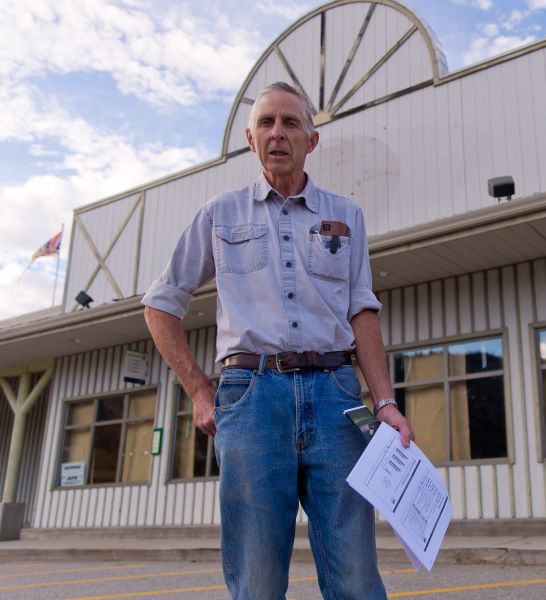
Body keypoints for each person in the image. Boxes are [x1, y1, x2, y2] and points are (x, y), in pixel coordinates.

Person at [142, 80, 413, 600]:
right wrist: (200, 390)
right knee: (258, 575)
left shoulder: (345, 216)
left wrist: (384, 402)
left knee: (356, 570)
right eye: (266, 122)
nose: (278, 133)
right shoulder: (220, 213)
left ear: (312, 140)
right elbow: (160, 303)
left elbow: (362, 312)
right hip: (251, 396)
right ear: (250, 138)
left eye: (290, 122)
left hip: (337, 398)